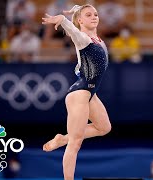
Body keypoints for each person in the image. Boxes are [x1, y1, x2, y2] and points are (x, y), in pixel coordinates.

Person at [41, 4, 111, 180]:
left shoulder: (96, 39)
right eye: (89, 15)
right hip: (79, 93)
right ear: (80, 21)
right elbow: (73, 32)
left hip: (90, 93)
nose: (94, 16)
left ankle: (61, 139)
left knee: (104, 127)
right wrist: (64, 20)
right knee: (75, 143)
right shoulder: (83, 39)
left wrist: (78, 8)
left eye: (95, 14)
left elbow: (81, 14)